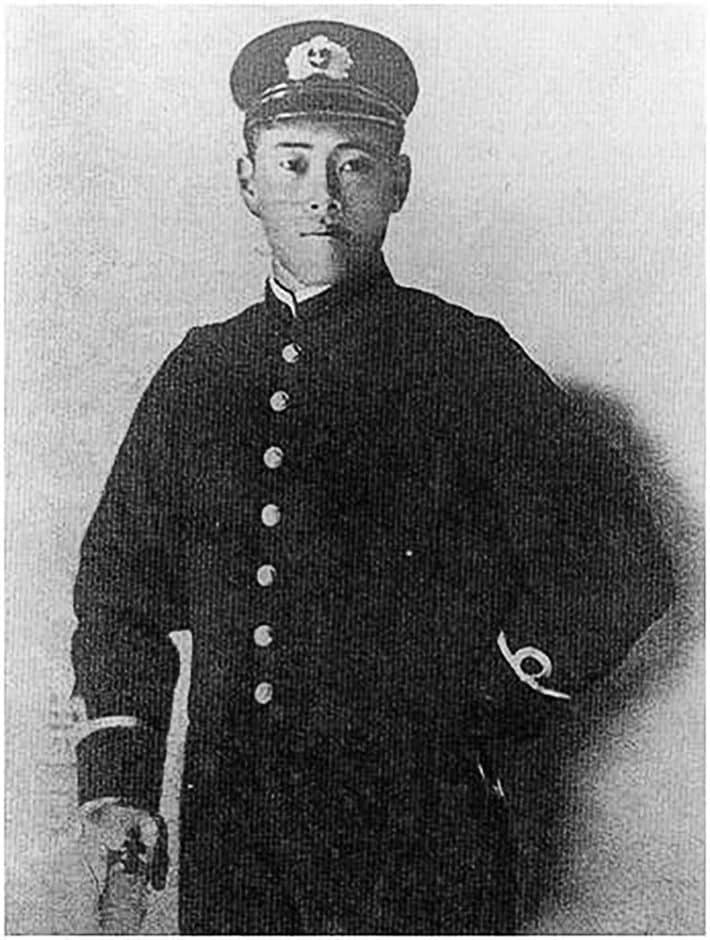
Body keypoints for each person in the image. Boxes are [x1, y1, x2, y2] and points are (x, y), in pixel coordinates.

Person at [71, 19, 675, 934]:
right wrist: (119, 785)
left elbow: (621, 563)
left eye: (353, 164)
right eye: (292, 163)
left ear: (398, 182)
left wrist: (482, 707)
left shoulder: (464, 359)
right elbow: (119, 592)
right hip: (236, 846)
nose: (322, 195)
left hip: (421, 839)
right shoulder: (200, 372)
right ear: (247, 181)